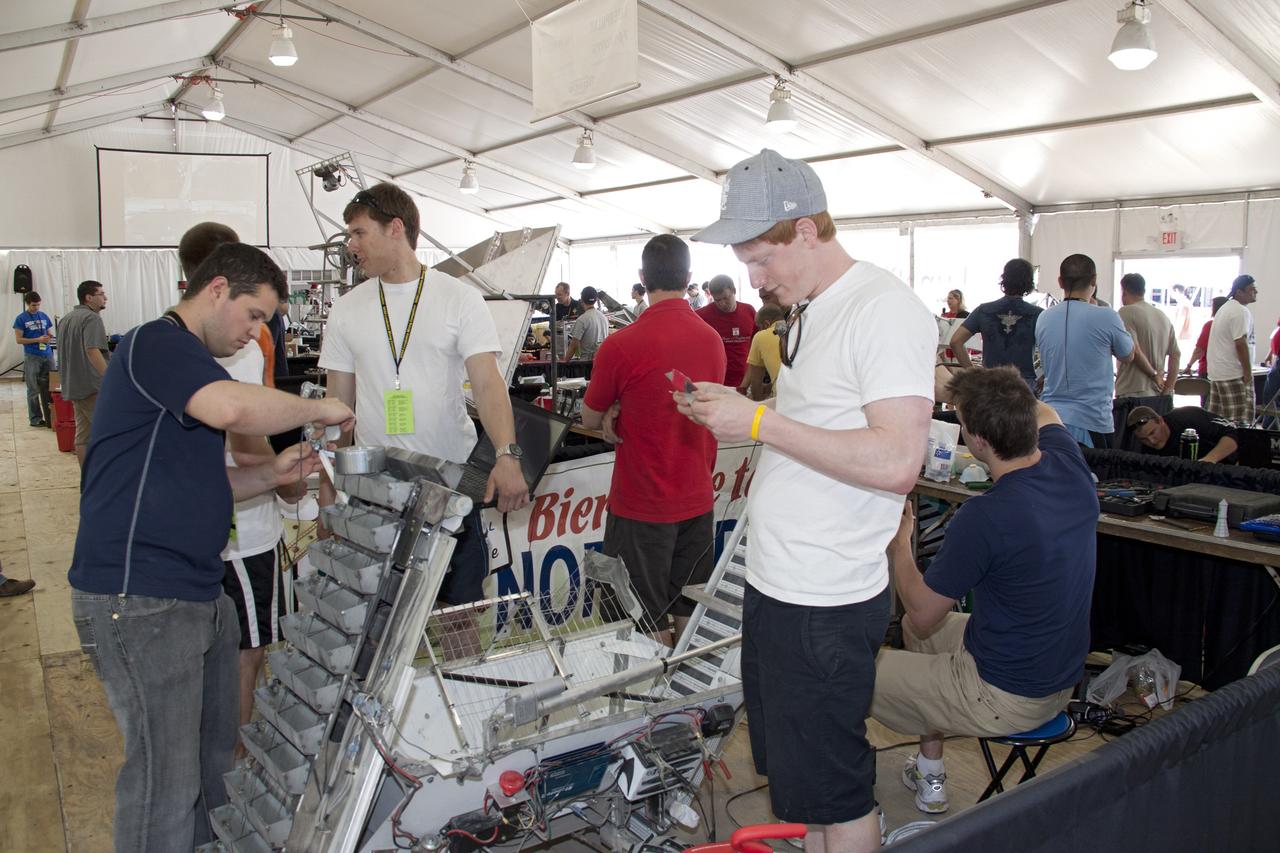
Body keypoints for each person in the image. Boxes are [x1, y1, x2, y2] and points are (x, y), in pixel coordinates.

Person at [684, 149, 936, 853]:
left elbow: (895, 460)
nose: (755, 281)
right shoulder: (812, 309)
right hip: (780, 583)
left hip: (824, 597)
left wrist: (757, 422)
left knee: (836, 789)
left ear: (805, 230)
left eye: (762, 259)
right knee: (805, 790)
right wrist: (742, 410)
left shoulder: (883, 310)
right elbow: (822, 432)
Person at [68, 242, 355, 852]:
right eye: (253, 315)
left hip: (193, 590)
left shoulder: (186, 364)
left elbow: (206, 480)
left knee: (209, 765)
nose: (255, 334)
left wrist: (271, 475)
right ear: (217, 289)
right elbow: (229, 407)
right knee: (163, 783)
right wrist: (318, 406)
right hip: (140, 594)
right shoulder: (159, 343)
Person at [872, 367, 1096, 814]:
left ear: (975, 442)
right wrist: (966, 386)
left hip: (1004, 696)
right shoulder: (1069, 466)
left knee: (845, 672)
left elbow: (919, 611)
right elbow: (1043, 408)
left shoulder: (987, 516)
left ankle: (846, 810)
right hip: (1057, 679)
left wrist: (900, 546)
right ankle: (929, 772)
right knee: (924, 641)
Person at [319, 182, 529, 613]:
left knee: (460, 612)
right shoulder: (347, 308)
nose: (351, 246)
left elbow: (488, 384)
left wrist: (507, 455)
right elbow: (337, 405)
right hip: (376, 487)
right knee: (380, 617)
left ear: (395, 228)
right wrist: (329, 490)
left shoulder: (459, 299)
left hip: (452, 481)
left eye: (359, 233)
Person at [580, 235, 726, 645]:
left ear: (642, 279)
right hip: (697, 499)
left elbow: (590, 417)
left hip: (642, 505)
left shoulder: (622, 344)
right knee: (686, 615)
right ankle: (687, 707)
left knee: (641, 623)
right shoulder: (712, 340)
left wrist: (612, 408)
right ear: (689, 278)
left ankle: (652, 708)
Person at [178, 223, 291, 748]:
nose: (253, 326)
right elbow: (245, 432)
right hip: (243, 529)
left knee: (218, 656)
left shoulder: (168, 333)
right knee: (247, 655)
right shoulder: (239, 341)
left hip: (204, 522)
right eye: (253, 311)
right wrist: (288, 482)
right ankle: (234, 776)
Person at [1034, 254, 1135, 447]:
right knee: (1095, 476)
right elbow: (1128, 355)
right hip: (1091, 420)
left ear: (1060, 282)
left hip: (1050, 419)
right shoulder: (1107, 316)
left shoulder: (1044, 318)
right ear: (1094, 280)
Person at [950, 258, 1043, 386]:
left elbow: (956, 341)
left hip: (990, 386)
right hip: (1024, 386)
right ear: (1029, 283)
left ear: (1004, 279)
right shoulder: (1037, 314)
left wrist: (973, 374)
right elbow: (1054, 350)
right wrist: (1042, 378)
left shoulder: (983, 310)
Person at [1113, 272, 1180, 449]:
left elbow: (1133, 350)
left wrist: (1153, 375)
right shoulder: (1162, 316)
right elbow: (1176, 354)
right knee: (1155, 450)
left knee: (1130, 451)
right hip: (1159, 396)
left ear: (1124, 291)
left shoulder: (1126, 312)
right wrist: (1168, 388)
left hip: (1133, 392)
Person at [57, 280, 110, 466]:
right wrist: (110, 378)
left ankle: (86, 482)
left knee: (83, 435)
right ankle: (106, 483)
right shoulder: (92, 318)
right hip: (92, 387)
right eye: (101, 294)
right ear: (89, 297)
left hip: (73, 385)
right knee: (109, 433)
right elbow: (92, 350)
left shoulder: (66, 319)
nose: (105, 297)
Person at [1206, 274, 1258, 424]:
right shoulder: (1240, 311)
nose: (1255, 292)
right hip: (1233, 374)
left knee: (1217, 422)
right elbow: (1240, 343)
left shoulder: (1225, 308)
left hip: (1219, 374)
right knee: (1239, 423)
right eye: (1251, 289)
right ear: (1239, 292)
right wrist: (1247, 373)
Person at [697, 275, 757, 389]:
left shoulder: (749, 311)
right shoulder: (702, 316)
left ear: (733, 291)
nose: (722, 304)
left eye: (726, 298)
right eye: (717, 300)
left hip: (745, 381)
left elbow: (757, 343)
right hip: (717, 383)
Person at [1127, 405, 1239, 462]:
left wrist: (1210, 459)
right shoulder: (1145, 451)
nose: (1151, 441)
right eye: (1144, 439)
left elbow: (1234, 432)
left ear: (1160, 421)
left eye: (1152, 433)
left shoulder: (1188, 416)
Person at [13, 290, 55, 428]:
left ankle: (52, 416)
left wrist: (49, 337)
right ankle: (36, 418)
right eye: (33, 305)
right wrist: (37, 339)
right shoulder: (21, 319)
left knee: (52, 386)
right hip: (32, 356)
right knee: (33, 389)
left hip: (47, 355)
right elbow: (19, 340)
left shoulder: (43, 316)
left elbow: (49, 332)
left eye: (38, 305)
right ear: (27, 304)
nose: (36, 308)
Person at [739, 303, 785, 401]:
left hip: (782, 397)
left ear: (766, 324)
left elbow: (756, 380)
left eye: (759, 327)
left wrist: (757, 403)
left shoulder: (761, 336)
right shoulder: (795, 327)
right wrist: (769, 386)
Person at [1185, 296, 1228, 377]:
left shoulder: (1211, 325)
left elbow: (1199, 349)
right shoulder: (1232, 326)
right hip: (1226, 370)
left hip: (1208, 369)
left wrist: (1189, 366)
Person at [565, 285, 609, 359]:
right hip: (601, 359)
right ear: (596, 299)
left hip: (586, 362)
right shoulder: (604, 317)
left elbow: (574, 345)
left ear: (582, 299)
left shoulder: (582, 319)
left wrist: (565, 362)